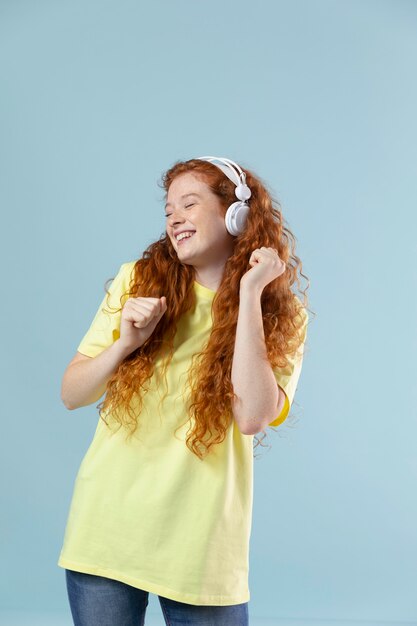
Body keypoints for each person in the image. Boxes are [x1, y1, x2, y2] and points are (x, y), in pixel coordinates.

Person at [57, 156, 310, 626]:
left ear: (235, 214)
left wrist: (251, 294)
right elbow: (72, 393)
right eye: (168, 209)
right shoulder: (138, 280)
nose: (174, 217)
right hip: (107, 525)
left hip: (202, 543)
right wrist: (125, 345)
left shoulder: (280, 311)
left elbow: (252, 417)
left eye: (189, 204)